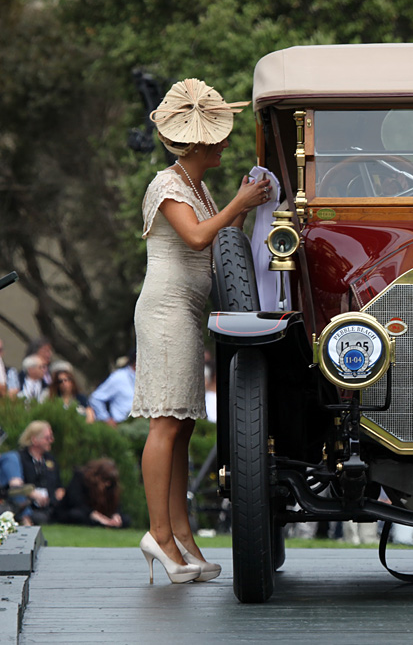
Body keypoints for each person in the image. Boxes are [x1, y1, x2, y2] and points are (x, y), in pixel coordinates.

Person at [132, 78, 271, 584]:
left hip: (188, 312)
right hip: (166, 312)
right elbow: (195, 239)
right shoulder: (166, 185)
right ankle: (159, 535)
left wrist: (246, 205)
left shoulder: (197, 187)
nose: (225, 140)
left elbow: (218, 240)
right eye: (218, 134)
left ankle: (181, 536)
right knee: (165, 422)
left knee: (183, 424)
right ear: (202, 143)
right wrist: (239, 203)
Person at [0, 421, 65, 525]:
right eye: (47, 438)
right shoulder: (18, 458)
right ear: (35, 440)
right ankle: (26, 518)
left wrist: (56, 496)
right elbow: (15, 487)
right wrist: (33, 494)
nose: (51, 441)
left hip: (50, 506)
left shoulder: (50, 460)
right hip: (27, 504)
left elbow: (58, 486)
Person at [54, 458, 130, 527]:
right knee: (77, 515)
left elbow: (115, 505)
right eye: (105, 480)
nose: (107, 484)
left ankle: (106, 524)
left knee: (126, 519)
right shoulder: (80, 478)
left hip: (100, 514)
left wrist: (116, 515)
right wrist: (94, 515)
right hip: (80, 512)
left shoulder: (110, 488)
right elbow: (76, 502)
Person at [89, 353, 137, 426]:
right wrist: (106, 419)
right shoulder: (119, 377)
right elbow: (96, 398)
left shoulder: (147, 380)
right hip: (122, 426)